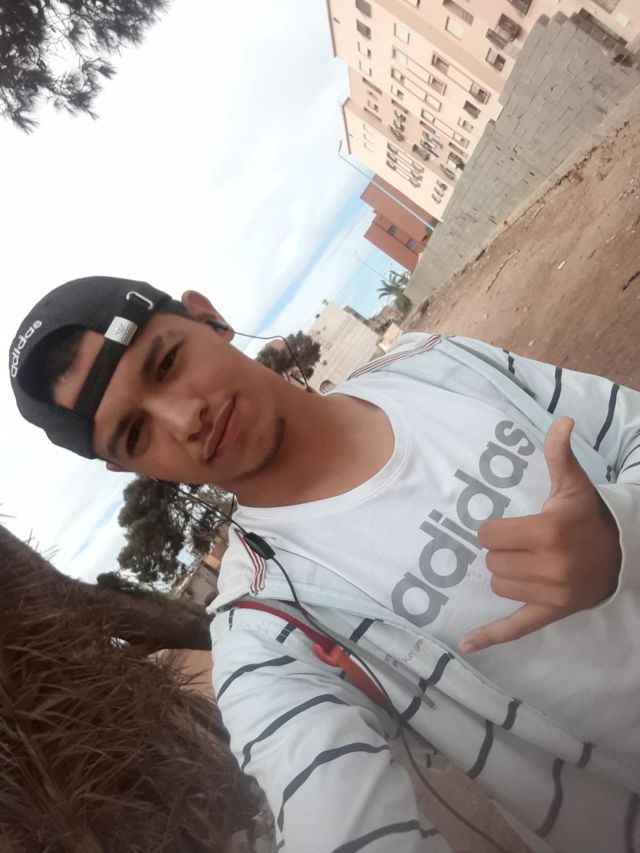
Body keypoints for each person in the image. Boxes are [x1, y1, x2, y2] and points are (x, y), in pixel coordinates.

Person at [9, 276, 640, 853]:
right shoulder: (266, 629)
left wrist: (620, 531)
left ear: (208, 317)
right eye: (135, 433)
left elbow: (627, 429)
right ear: (125, 467)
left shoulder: (433, 364)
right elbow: (337, 816)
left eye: (167, 363)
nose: (183, 419)